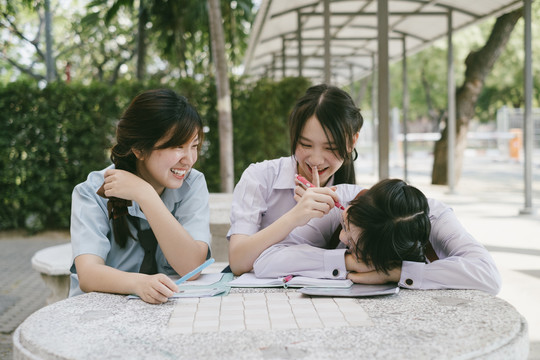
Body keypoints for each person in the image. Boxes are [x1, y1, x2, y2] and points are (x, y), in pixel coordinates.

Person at [69, 89, 212, 304]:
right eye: (177, 146)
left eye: (194, 146)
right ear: (139, 149)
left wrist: (146, 196)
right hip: (98, 315)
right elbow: (88, 274)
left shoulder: (192, 184)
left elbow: (191, 268)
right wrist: (138, 284)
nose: (189, 159)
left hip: (163, 311)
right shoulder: (92, 192)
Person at [253, 179, 502, 295]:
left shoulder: (435, 217)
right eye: (346, 226)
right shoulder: (339, 203)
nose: (341, 236)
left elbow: (488, 275)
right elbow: (265, 262)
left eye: (353, 245)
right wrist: (349, 261)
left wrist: (397, 272)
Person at [227, 84, 364, 275]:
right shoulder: (260, 177)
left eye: (330, 148)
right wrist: (295, 217)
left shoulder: (351, 196)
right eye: (305, 144)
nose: (316, 159)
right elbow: (238, 262)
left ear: (352, 142)